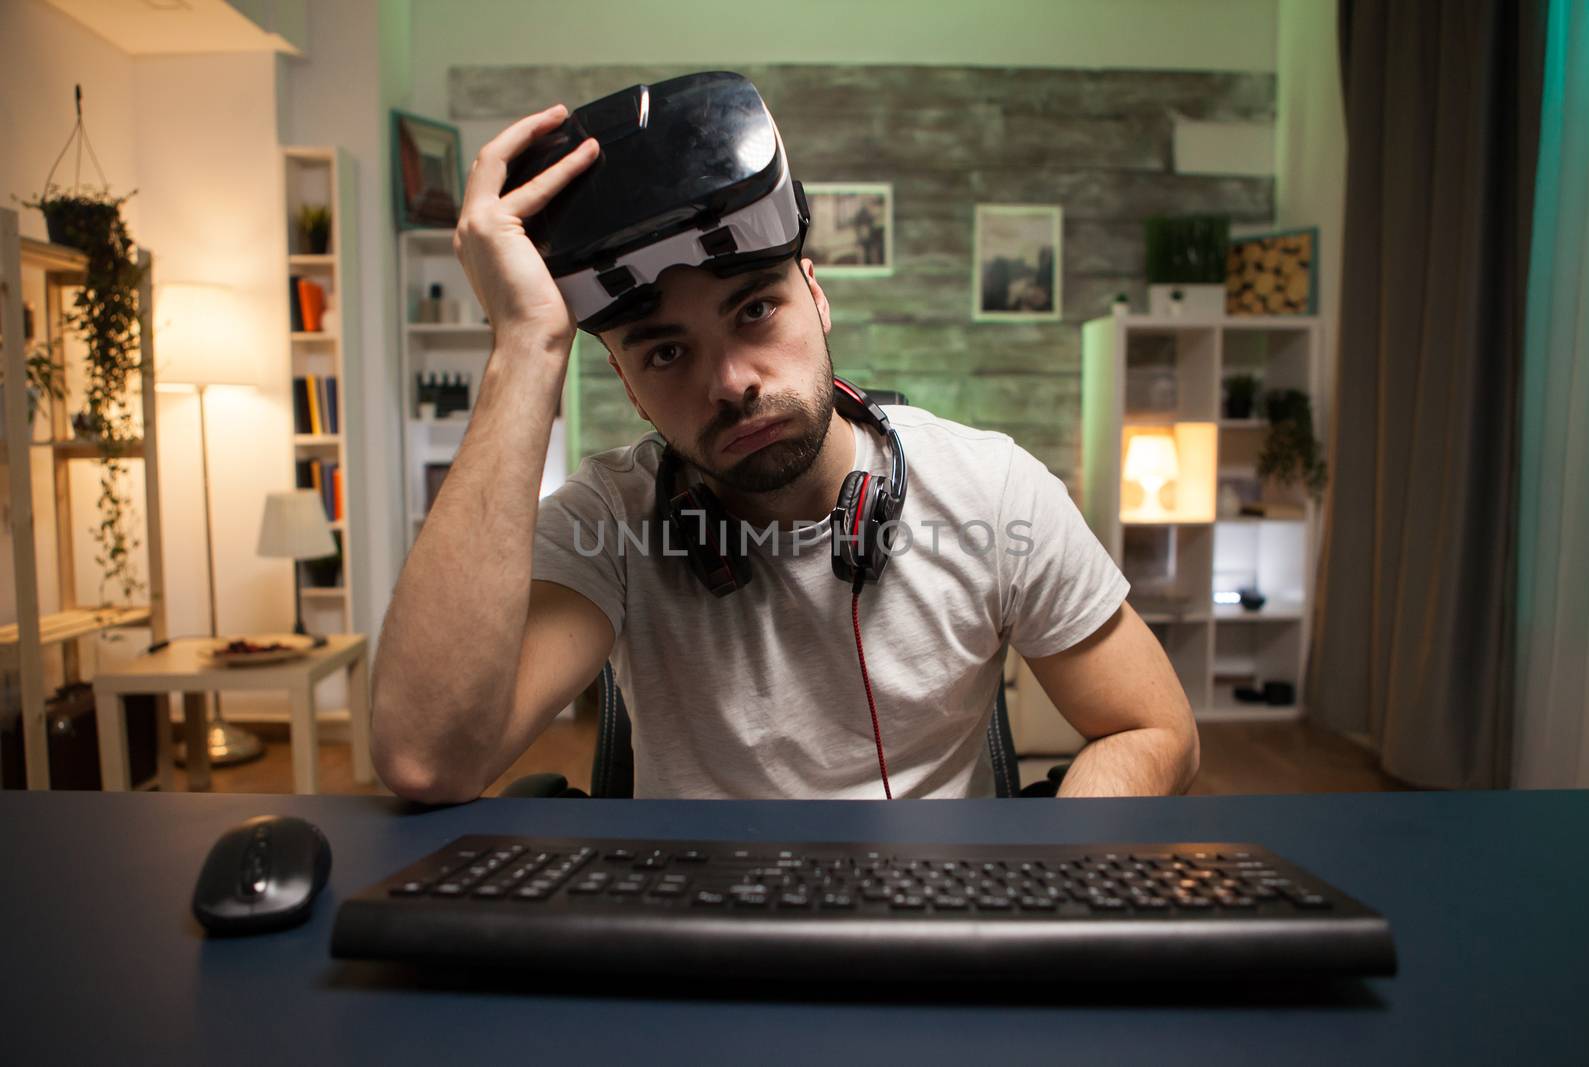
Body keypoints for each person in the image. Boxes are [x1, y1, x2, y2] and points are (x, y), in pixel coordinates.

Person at [371, 95, 1199, 803]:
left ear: (817, 294)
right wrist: (524, 347)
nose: (730, 381)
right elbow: (425, 757)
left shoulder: (992, 490)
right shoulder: (610, 522)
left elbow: (1154, 727)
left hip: (937, 943)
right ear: (628, 385)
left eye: (755, 311)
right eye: (666, 353)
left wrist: (1035, 889)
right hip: (697, 953)